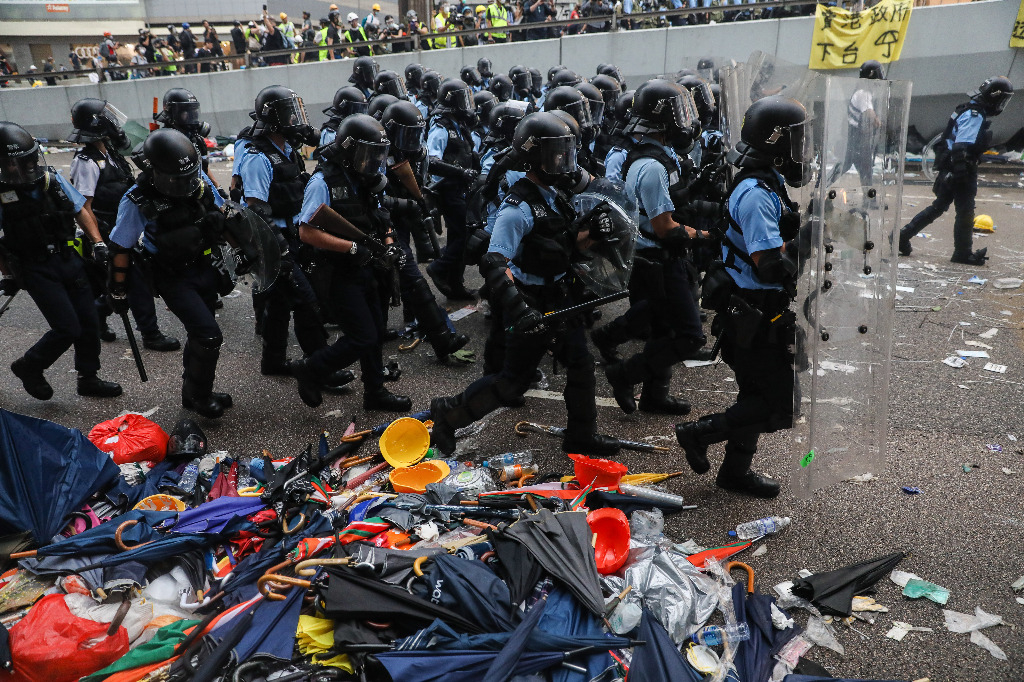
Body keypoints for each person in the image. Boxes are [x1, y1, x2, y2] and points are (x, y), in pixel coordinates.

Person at [429, 112, 620, 458]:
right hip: (530, 301)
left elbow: (560, 246)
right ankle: (448, 412)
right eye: (556, 153)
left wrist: (594, 235)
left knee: (580, 365)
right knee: (511, 382)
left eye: (567, 151)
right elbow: (494, 263)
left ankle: (581, 435)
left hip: (561, 296)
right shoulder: (516, 208)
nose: (564, 160)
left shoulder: (556, 194)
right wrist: (520, 308)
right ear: (536, 158)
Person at [675, 96, 814, 499]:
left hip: (760, 312)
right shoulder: (755, 192)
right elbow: (769, 266)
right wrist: (807, 237)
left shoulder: (767, 179)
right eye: (796, 140)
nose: (802, 149)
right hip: (752, 314)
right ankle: (697, 433)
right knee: (781, 406)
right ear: (774, 142)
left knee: (757, 396)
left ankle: (734, 473)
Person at [600, 80, 708, 416]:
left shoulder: (658, 155)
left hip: (657, 257)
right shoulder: (651, 166)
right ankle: (624, 374)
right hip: (656, 259)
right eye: (679, 112)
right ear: (661, 118)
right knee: (690, 336)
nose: (685, 119)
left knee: (663, 329)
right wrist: (704, 235)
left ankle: (654, 397)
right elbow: (664, 228)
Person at [291, 114, 413, 412]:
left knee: (376, 332)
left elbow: (381, 219)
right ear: (349, 149)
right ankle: (311, 368)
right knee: (362, 336)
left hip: (367, 267)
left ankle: (375, 392)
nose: (374, 161)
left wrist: (390, 245)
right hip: (336, 272)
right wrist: (351, 247)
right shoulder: (322, 182)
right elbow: (306, 231)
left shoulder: (367, 179)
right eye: (368, 154)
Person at [108, 129, 233, 418]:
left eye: (188, 177)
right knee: (208, 335)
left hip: (204, 266)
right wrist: (117, 289)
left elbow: (223, 211)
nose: (184, 185)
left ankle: (193, 392)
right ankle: (200, 395)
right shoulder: (137, 199)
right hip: (171, 275)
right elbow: (120, 247)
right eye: (175, 180)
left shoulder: (197, 183)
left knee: (198, 332)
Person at [0, 121, 123, 400]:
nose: (19, 169)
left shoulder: (51, 180)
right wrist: (7, 273)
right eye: (10, 164)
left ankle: (88, 377)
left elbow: (81, 210)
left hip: (68, 259)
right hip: (35, 268)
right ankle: (30, 365)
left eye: (23, 161)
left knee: (89, 322)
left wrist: (98, 243)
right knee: (67, 327)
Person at [236, 86, 341, 382]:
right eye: (290, 113)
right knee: (306, 303)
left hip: (293, 237)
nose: (297, 119)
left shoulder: (287, 151)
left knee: (280, 305)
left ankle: (273, 360)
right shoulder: (258, 158)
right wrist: (279, 248)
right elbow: (256, 209)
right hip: (275, 242)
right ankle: (321, 367)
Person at [69, 98, 179, 353]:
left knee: (122, 282)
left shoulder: (111, 153)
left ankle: (97, 314)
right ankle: (150, 334)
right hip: (107, 229)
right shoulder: (86, 162)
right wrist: (97, 242)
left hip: (124, 224)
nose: (114, 122)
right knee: (136, 281)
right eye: (107, 117)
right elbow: (83, 207)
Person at [380, 100, 472, 361]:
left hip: (402, 217)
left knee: (405, 274)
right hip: (381, 222)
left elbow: (426, 173)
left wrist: (423, 198)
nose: (411, 140)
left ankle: (418, 325)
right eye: (405, 134)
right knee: (404, 274)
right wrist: (406, 203)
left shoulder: (415, 154)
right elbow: (372, 198)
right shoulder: (379, 154)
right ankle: (442, 336)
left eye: (414, 134)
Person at [899, 76, 1013, 265]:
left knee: (939, 207)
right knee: (965, 212)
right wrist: (961, 174)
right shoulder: (975, 114)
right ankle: (962, 253)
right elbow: (961, 146)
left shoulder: (968, 108)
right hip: (959, 168)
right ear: (994, 97)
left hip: (951, 167)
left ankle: (903, 236)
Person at [424, 79, 480, 301]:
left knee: (460, 235)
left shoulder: (458, 123)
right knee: (463, 236)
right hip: (447, 189)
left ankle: (457, 286)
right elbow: (432, 160)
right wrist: (460, 173)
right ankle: (438, 267)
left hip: (461, 188)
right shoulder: (440, 126)